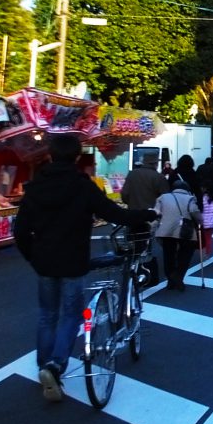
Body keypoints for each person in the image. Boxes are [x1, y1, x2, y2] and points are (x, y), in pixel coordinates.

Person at [13, 134, 156, 402]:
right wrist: (147, 214)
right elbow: (117, 215)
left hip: (44, 263)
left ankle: (44, 365)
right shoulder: (82, 186)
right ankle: (56, 365)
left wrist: (32, 257)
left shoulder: (34, 188)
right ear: (77, 156)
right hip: (73, 262)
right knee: (70, 315)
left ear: (50, 155)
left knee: (47, 315)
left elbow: (20, 230)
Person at [154, 179, 202, 291]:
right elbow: (195, 212)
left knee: (168, 254)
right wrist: (201, 221)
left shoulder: (162, 197)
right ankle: (178, 276)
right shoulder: (190, 198)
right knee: (186, 252)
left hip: (166, 230)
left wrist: (153, 229)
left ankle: (171, 281)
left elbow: (156, 213)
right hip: (185, 230)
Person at [199, 180, 213, 259]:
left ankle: (203, 253)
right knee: (209, 237)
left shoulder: (202, 198)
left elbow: (200, 208)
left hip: (204, 220)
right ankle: (208, 253)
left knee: (203, 238)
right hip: (212, 220)